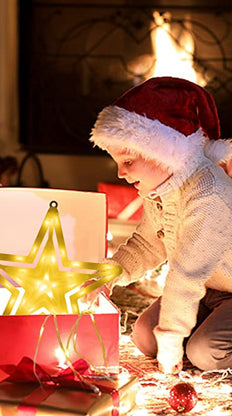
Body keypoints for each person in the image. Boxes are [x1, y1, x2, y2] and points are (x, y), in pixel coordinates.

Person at [90, 76, 232, 375]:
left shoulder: (209, 192)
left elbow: (187, 272)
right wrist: (107, 277)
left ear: (163, 153)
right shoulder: (161, 189)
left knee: (204, 352)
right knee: (143, 336)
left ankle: (199, 339)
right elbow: (145, 244)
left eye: (128, 161)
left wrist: (171, 338)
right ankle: (200, 329)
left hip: (221, 286)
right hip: (209, 288)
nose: (120, 173)